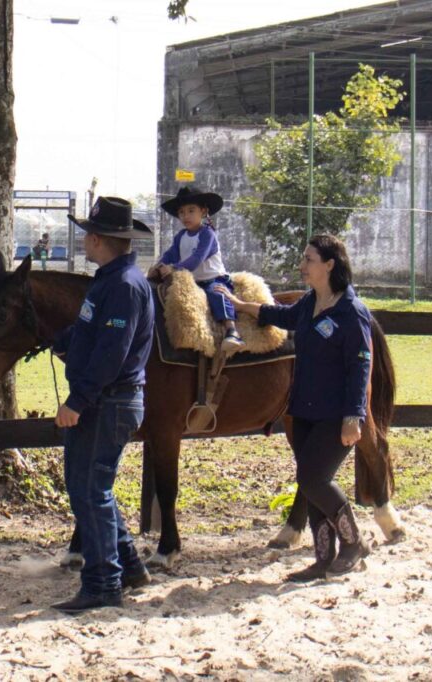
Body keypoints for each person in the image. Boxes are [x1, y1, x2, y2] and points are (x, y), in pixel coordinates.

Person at [216, 234, 373, 582]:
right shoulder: (310, 303)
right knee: (314, 483)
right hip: (302, 410)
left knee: (312, 478)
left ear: (329, 265)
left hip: (335, 413)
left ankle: (354, 542)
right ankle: (322, 557)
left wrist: (354, 416)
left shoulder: (351, 312)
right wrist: (240, 306)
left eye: (309, 260)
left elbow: (361, 365)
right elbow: (280, 315)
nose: (302, 266)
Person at [51, 196, 155, 614]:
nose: (83, 244)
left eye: (86, 238)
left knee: (89, 490)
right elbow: (90, 331)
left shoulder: (124, 286)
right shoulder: (112, 281)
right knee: (93, 488)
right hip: (108, 402)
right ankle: (127, 566)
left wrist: (77, 399)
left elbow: (112, 352)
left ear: (97, 239)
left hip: (108, 403)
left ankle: (102, 584)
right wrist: (62, 342)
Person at [149, 186, 245, 353]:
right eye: (181, 212)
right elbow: (170, 254)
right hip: (193, 282)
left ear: (203, 211)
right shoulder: (180, 236)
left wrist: (174, 268)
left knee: (217, 294)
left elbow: (196, 259)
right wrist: (158, 266)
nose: (185, 216)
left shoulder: (207, 235)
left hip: (214, 278)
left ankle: (231, 330)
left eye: (191, 211)